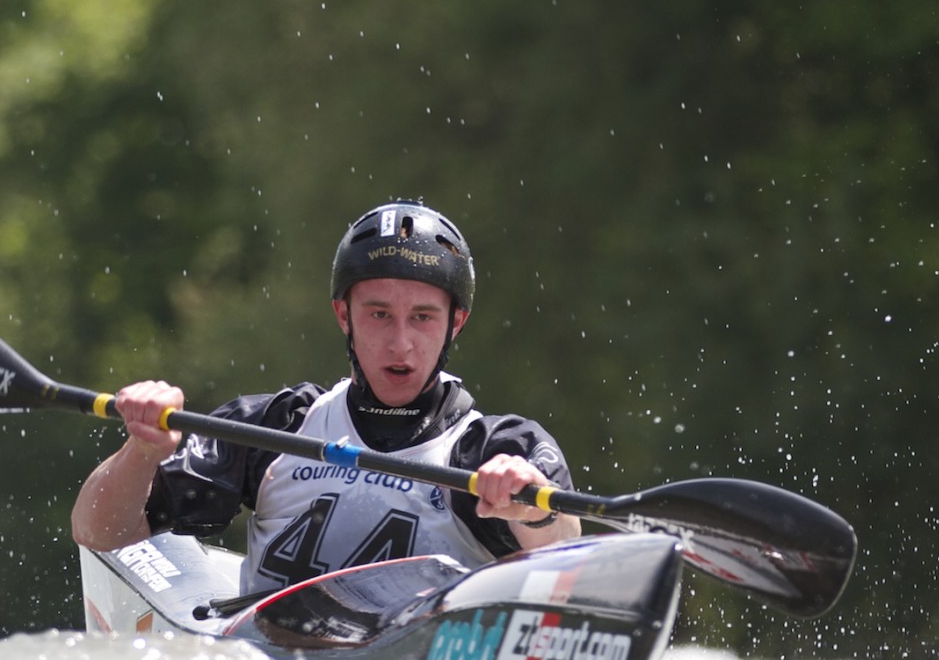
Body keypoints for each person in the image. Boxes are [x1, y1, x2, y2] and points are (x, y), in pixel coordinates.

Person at [71, 200, 581, 591]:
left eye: (423, 317)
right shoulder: (278, 426)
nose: (400, 342)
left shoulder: (495, 449)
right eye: (378, 314)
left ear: (456, 323)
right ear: (344, 316)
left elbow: (564, 555)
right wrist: (141, 453)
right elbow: (100, 534)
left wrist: (532, 511)